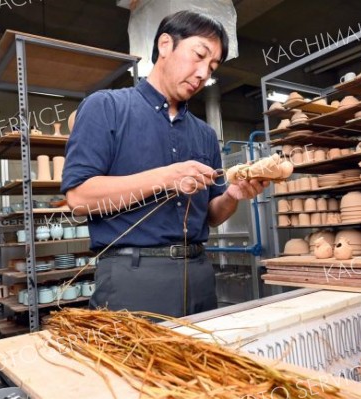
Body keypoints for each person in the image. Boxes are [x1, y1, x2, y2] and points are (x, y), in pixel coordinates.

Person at [61, 10, 267, 317]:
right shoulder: (106, 107)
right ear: (165, 45)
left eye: (211, 66)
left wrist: (232, 197)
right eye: (198, 55)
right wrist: (166, 177)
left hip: (199, 273)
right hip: (133, 276)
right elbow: (79, 199)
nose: (202, 73)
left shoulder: (205, 135)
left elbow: (211, 216)